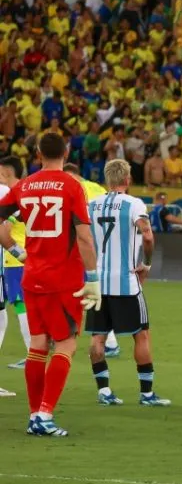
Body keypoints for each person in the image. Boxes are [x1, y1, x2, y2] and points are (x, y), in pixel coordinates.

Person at [0, 132, 101, 437]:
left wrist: (16, 250)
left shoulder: (25, 185)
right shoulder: (72, 185)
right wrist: (93, 278)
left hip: (33, 276)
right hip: (64, 279)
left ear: (38, 154)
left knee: (38, 345)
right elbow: (83, 236)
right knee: (67, 343)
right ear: (66, 152)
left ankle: (35, 415)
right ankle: (44, 414)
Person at [84, 159, 170, 407]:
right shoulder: (134, 203)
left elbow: (82, 238)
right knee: (141, 335)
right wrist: (147, 263)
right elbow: (148, 235)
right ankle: (146, 394)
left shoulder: (92, 205)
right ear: (127, 180)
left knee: (97, 337)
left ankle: (104, 391)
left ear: (107, 179)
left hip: (97, 282)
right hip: (125, 281)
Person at [66, 162, 120, 358]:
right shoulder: (98, 189)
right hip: (97, 248)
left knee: (82, 295)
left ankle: (63, 335)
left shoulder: (72, 188)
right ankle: (110, 341)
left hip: (80, 249)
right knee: (94, 296)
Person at [0, 157, 32, 371]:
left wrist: (21, 255)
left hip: (16, 260)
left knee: (21, 307)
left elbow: (6, 231)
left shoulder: (14, 196)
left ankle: (33, 354)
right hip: (19, 258)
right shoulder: (27, 192)